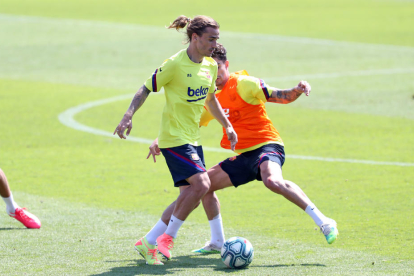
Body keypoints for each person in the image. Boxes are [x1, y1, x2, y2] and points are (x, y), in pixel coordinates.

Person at [146, 43, 338, 256]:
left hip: (268, 146)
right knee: (204, 186)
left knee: (272, 180)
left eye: (218, 68)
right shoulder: (212, 97)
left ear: (226, 65)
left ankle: (324, 222)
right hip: (245, 156)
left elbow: (279, 95)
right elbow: (191, 122)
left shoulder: (244, 83)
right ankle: (217, 241)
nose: (214, 75)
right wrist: (159, 139)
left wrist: (297, 90)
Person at [113, 16, 237, 265]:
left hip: (193, 138)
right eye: (211, 39)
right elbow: (146, 87)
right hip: (173, 138)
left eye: (217, 39)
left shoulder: (210, 66)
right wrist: (128, 116)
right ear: (195, 37)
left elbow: (211, 99)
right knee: (202, 185)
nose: (215, 44)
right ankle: (167, 238)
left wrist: (228, 126)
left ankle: (149, 241)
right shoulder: (174, 64)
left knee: (188, 196)